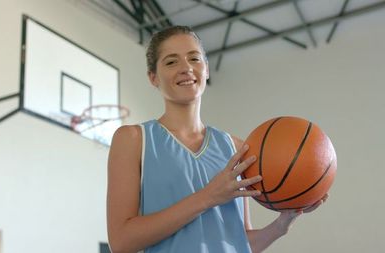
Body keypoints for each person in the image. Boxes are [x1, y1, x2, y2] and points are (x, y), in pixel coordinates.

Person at [106, 26, 327, 253]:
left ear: (207, 69)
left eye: (194, 58)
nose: (186, 68)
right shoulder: (133, 139)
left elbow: (241, 242)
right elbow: (122, 241)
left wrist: (282, 224)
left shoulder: (237, 147)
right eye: (171, 62)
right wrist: (208, 197)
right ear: (153, 77)